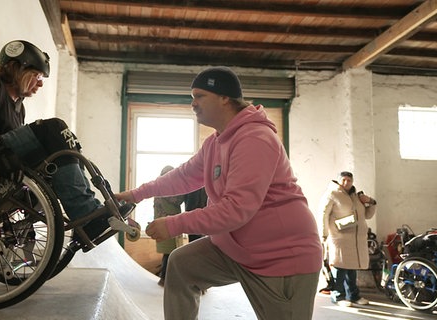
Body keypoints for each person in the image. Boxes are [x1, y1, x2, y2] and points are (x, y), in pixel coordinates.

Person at [116, 66, 323, 320]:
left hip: (281, 257)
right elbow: (183, 176)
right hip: (236, 248)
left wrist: (173, 224)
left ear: (225, 97)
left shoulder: (255, 139)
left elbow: (236, 209)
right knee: (182, 265)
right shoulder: (216, 141)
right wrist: (136, 194)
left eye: (199, 96)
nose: (193, 104)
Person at [0, 40, 123, 242]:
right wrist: (0, 151)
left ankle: (91, 212)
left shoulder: (19, 109)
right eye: (37, 75)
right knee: (54, 128)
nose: (40, 82)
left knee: (62, 146)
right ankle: (85, 215)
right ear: (16, 68)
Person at [319, 171, 377, 307]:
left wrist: (370, 202)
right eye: (343, 180)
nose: (346, 183)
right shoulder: (332, 194)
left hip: (356, 239)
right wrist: (323, 234)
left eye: (349, 180)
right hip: (339, 238)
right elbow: (323, 214)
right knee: (339, 267)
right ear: (339, 181)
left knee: (352, 268)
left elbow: (367, 215)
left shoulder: (356, 196)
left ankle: (353, 295)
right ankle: (338, 296)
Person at [153, 165, 185, 287]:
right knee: (170, 253)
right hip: (167, 224)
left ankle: (165, 277)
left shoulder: (158, 186)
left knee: (169, 253)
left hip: (164, 224)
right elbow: (177, 200)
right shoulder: (165, 187)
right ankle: (165, 278)